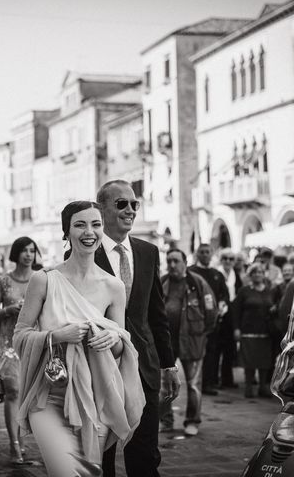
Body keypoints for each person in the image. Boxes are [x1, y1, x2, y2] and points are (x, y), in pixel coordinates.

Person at [14, 201, 145, 477]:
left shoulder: (114, 286)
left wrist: (112, 337)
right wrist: (57, 336)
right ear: (67, 232)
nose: (89, 231)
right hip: (50, 394)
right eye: (80, 224)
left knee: (88, 473)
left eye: (96, 224)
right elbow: (20, 335)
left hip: (96, 396)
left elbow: (121, 347)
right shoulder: (44, 280)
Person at [94, 180, 179, 477]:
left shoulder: (148, 251)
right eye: (121, 204)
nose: (130, 210)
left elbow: (157, 314)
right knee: (100, 454)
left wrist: (168, 365)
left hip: (145, 365)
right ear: (102, 209)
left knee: (144, 455)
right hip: (101, 367)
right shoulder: (84, 253)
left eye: (134, 204)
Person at [0, 236, 40, 465]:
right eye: (24, 250)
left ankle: (25, 437)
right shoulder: (2, 281)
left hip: (35, 341)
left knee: (30, 395)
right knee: (13, 392)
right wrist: (8, 309)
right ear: (16, 254)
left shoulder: (42, 279)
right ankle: (14, 443)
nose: (28, 254)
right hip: (9, 344)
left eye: (32, 250)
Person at [160, 248, 217, 436]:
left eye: (176, 260)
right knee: (165, 384)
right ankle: (165, 421)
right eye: (169, 261)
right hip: (167, 343)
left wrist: (202, 333)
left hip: (193, 341)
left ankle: (192, 421)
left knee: (193, 384)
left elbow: (211, 311)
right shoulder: (163, 282)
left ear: (185, 262)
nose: (172, 265)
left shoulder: (197, 283)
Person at [189, 243, 230, 396]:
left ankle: (209, 383)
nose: (205, 254)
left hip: (213, 320)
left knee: (212, 352)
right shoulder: (191, 272)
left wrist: (222, 304)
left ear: (212, 254)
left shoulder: (216, 274)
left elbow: (224, 294)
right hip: (195, 320)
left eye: (208, 252)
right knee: (196, 353)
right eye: (202, 252)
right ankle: (194, 383)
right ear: (197, 253)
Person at [232, 263, 275, 398]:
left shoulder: (269, 291)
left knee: (264, 360)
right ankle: (248, 386)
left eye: (260, 272)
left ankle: (262, 386)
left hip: (265, 331)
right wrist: (236, 328)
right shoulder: (244, 291)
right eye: (254, 272)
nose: (257, 274)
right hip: (248, 330)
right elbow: (236, 311)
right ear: (250, 275)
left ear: (264, 275)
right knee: (249, 360)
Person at [215, 248, 243, 388]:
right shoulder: (216, 273)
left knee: (230, 348)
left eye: (231, 259)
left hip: (232, 313)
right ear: (221, 259)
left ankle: (227, 379)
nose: (227, 261)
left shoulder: (236, 275)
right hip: (219, 313)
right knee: (216, 348)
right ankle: (214, 379)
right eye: (225, 258)